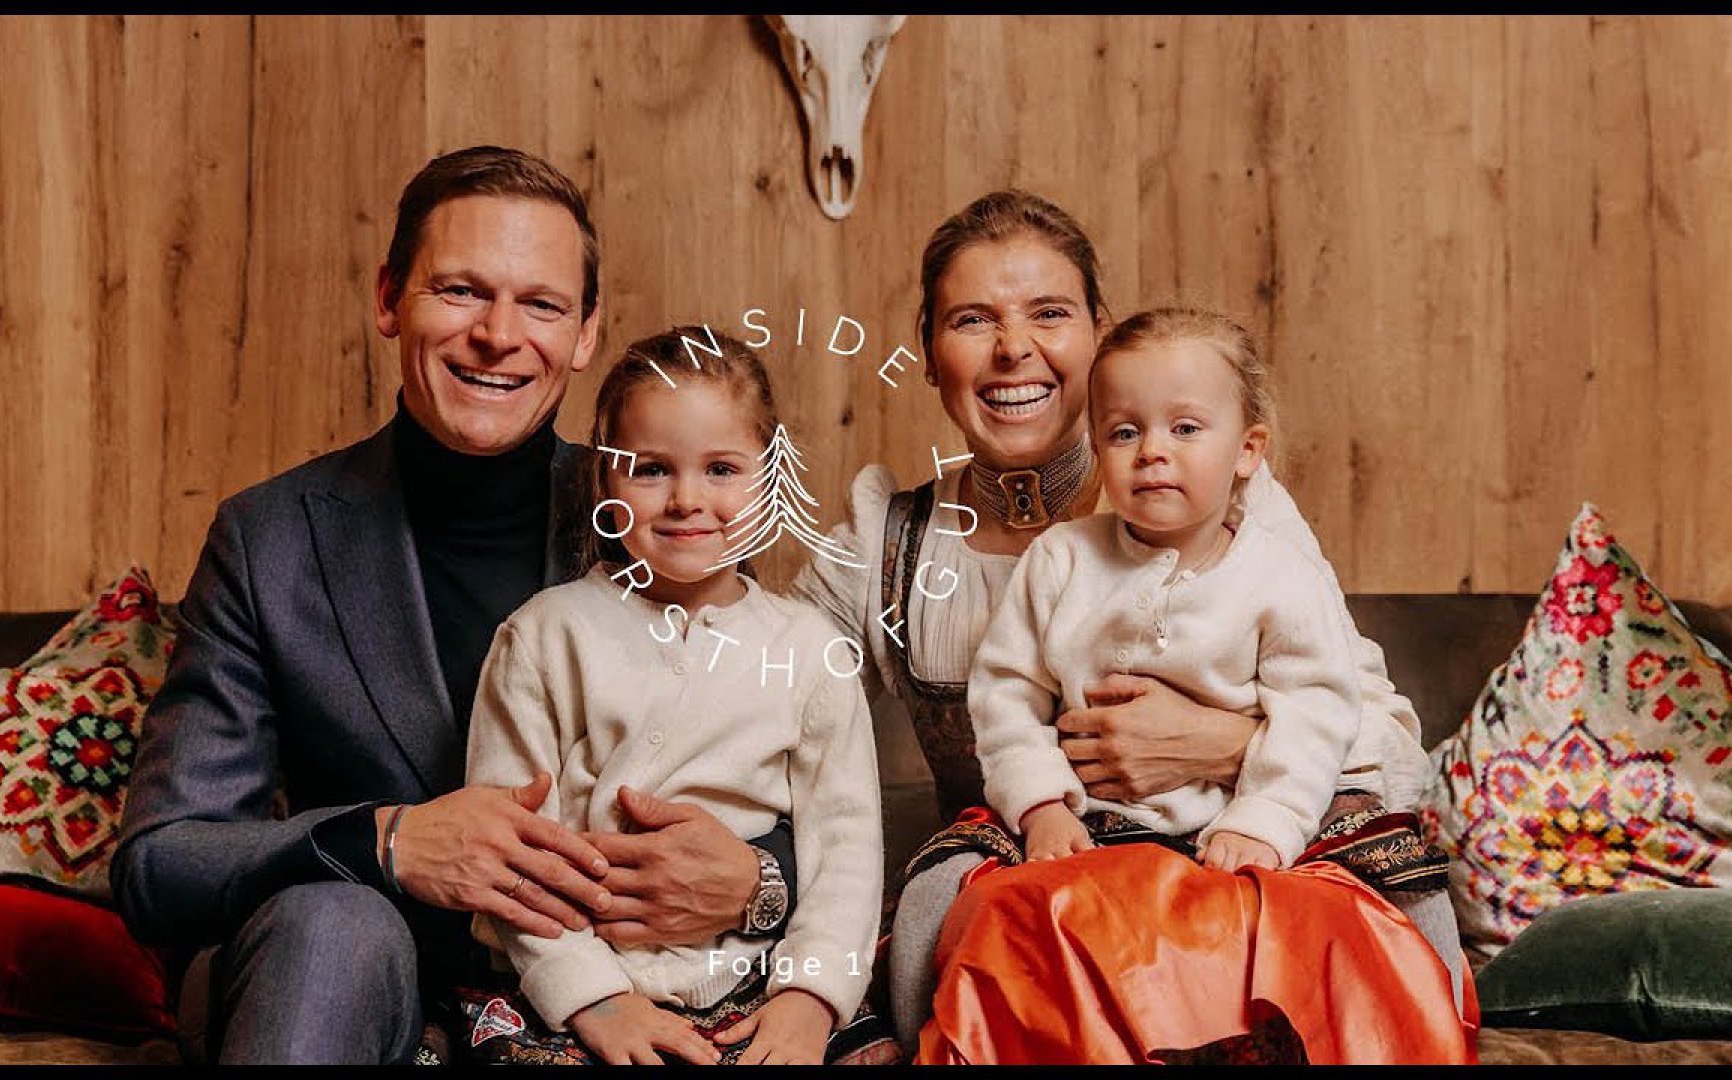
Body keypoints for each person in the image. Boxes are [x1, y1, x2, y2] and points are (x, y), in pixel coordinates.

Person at [112, 148, 797, 1065]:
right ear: (389, 299)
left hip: (620, 991)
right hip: (352, 977)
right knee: (332, 926)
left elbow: (804, 794)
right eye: (461, 291)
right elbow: (160, 862)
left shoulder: (668, 516)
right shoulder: (268, 540)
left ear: (585, 332)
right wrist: (387, 841)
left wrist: (756, 880)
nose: (498, 334)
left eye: (541, 304)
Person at [790, 190, 1467, 1056]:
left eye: (1049, 313)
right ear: (928, 352)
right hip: (1049, 861)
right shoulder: (889, 545)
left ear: (1098, 335)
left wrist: (1227, 743)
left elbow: (1390, 747)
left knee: (1397, 898)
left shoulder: (1236, 510)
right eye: (972, 320)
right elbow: (760, 710)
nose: (1013, 348)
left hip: (1243, 829)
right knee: (930, 913)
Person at [944, 306, 1469, 1062]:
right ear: (1097, 447)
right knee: (941, 899)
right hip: (1095, 817)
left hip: (1239, 812)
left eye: (1185, 429)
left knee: (1391, 895)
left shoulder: (1279, 574)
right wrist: (1040, 806)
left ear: (1247, 450)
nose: (1153, 452)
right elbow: (1005, 695)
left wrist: (1266, 818)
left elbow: (1317, 710)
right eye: (1125, 433)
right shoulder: (1061, 560)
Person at [460, 329, 884, 1065]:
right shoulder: (544, 638)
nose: (688, 500)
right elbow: (516, 854)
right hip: (581, 992)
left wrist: (811, 999)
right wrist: (596, 1001)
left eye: (721, 469)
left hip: (762, 987)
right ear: (605, 481)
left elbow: (846, 850)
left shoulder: (810, 651)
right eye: (652, 469)